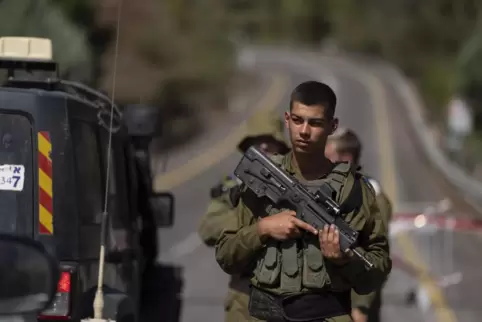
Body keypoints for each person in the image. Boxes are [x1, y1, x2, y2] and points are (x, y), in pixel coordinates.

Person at [215, 81, 392, 322]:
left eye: (315, 123)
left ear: (332, 126)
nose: (304, 131)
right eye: (298, 120)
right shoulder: (262, 179)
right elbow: (225, 255)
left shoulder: (355, 190)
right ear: (287, 119)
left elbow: (377, 271)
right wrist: (263, 229)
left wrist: (344, 260)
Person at [198, 110, 290, 322]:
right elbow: (208, 228)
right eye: (257, 141)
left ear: (282, 146)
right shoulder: (235, 187)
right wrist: (258, 226)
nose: (264, 146)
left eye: (269, 140)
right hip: (245, 298)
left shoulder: (299, 185)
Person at [325, 127, 393, 322]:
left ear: (345, 159)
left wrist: (359, 307)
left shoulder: (371, 197)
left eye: (328, 156)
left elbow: (372, 255)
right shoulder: (328, 189)